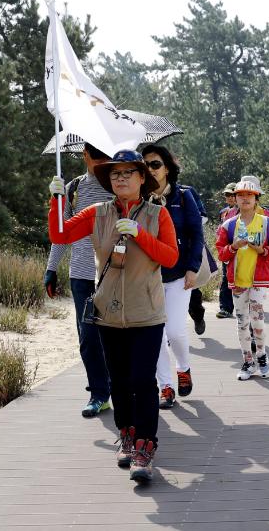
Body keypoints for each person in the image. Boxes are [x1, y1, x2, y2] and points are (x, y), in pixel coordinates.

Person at [48, 150, 178, 483]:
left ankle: (145, 448)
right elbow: (60, 235)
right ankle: (127, 436)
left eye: (127, 173)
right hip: (108, 312)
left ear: (141, 179)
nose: (120, 178)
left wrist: (139, 233)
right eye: (115, 174)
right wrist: (57, 200)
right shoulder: (97, 213)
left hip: (146, 313)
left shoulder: (157, 215)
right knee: (118, 380)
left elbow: (170, 258)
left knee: (141, 381)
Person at [44, 143, 113, 418]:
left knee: (116, 337)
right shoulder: (72, 188)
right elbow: (62, 232)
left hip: (115, 273)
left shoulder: (119, 185)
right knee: (88, 338)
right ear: (85, 155)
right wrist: (52, 267)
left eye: (106, 155)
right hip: (82, 275)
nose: (101, 162)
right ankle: (99, 394)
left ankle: (119, 385)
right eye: (96, 156)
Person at [141, 145, 204, 411]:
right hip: (147, 278)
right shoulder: (139, 199)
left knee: (176, 332)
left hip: (178, 275)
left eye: (155, 164)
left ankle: (184, 368)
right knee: (155, 336)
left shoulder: (184, 196)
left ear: (167, 168)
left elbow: (196, 234)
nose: (150, 169)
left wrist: (192, 267)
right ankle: (165, 386)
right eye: (144, 165)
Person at [216, 177, 269, 380]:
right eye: (240, 195)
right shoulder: (228, 225)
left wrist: (263, 250)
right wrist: (233, 247)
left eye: (249, 195)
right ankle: (247, 361)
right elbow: (221, 253)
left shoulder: (268, 223)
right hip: (237, 280)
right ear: (235, 198)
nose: (245, 198)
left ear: (256, 198)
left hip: (259, 279)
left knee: (257, 320)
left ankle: (262, 356)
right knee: (241, 321)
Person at [215, 183, 237, 319]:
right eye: (227, 195)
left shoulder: (244, 210)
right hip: (227, 249)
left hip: (242, 248)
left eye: (232, 194)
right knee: (225, 277)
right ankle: (225, 308)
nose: (229, 197)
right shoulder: (224, 212)